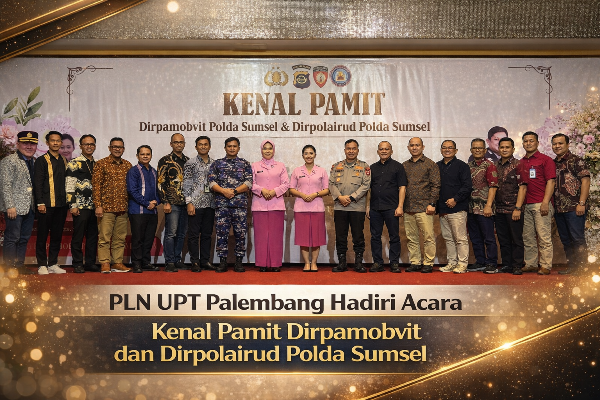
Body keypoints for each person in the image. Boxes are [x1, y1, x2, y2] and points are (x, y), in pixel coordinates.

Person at [208, 137, 253, 273]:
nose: (232, 148)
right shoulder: (217, 164)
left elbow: (249, 183)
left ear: (238, 148)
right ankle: (222, 262)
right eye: (229, 146)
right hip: (222, 205)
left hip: (239, 206)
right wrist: (223, 191)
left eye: (234, 146)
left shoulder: (245, 164)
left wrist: (234, 191)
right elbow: (211, 182)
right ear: (225, 148)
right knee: (222, 234)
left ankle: (239, 262)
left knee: (241, 234)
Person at [329, 139, 371, 273]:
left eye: (353, 148)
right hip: (340, 207)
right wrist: (340, 197)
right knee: (340, 236)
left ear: (358, 150)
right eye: (348, 148)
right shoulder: (336, 166)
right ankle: (342, 263)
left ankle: (358, 263)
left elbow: (366, 185)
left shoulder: (364, 167)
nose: (351, 151)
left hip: (357, 207)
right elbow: (331, 184)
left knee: (358, 236)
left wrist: (352, 197)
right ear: (344, 150)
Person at [0, 131, 38, 275]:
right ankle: (9, 268)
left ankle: (19, 266)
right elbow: (5, 185)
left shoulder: (34, 161)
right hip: (14, 208)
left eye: (32, 144)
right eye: (25, 143)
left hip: (29, 207)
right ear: (17, 144)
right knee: (12, 238)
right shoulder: (9, 161)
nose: (29, 146)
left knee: (24, 238)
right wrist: (10, 206)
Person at [552, 133, 590, 275]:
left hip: (575, 207)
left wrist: (582, 203)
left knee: (577, 238)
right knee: (566, 239)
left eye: (560, 143)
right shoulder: (552, 163)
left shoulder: (576, 161)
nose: (557, 146)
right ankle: (573, 267)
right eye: (554, 144)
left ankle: (583, 269)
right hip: (559, 208)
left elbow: (586, 181)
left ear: (568, 144)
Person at [93, 137, 133, 273]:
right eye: (114, 147)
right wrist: (98, 205)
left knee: (120, 238)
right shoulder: (101, 164)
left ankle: (117, 262)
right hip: (106, 208)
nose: (117, 149)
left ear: (123, 149)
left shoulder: (127, 165)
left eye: (120, 147)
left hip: (123, 208)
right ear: (109, 148)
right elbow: (96, 186)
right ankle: (105, 263)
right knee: (104, 237)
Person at [519, 131, 556, 275]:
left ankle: (546, 265)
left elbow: (551, 182)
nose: (528, 143)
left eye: (531, 141)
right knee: (528, 237)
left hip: (541, 203)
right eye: (526, 141)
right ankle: (531, 264)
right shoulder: (521, 162)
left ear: (537, 143)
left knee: (543, 237)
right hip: (526, 205)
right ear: (523, 144)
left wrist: (545, 202)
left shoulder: (545, 160)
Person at [367, 141, 407, 273]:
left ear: (391, 151)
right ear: (378, 151)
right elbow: (369, 189)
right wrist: (367, 206)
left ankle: (394, 263)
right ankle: (377, 263)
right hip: (375, 208)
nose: (384, 151)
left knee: (394, 236)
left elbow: (402, 187)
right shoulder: (372, 168)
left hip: (392, 208)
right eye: (381, 149)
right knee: (375, 237)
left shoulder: (398, 167)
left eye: (386, 149)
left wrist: (400, 206)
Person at [402, 137, 440, 273]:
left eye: (417, 145)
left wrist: (432, 203)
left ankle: (428, 263)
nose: (414, 147)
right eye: (412, 145)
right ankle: (415, 262)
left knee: (428, 237)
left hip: (425, 207)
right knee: (411, 238)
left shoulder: (430, 164)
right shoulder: (404, 165)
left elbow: (436, 185)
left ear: (423, 147)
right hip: (408, 207)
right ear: (408, 147)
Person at [251, 140, 290, 272]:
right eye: (265, 148)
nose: (267, 151)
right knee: (260, 236)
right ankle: (262, 263)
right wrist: (262, 190)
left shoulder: (281, 166)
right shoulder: (254, 165)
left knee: (276, 236)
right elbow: (251, 183)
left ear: (274, 150)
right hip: (259, 205)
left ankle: (275, 264)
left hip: (276, 205)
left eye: (270, 148)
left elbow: (286, 184)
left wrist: (274, 192)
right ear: (261, 150)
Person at [289, 145, 330, 272]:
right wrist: (302, 195)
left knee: (317, 236)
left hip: (317, 208)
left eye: (311, 153)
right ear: (302, 155)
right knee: (303, 237)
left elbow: (327, 189)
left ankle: (314, 263)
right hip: (301, 208)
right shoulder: (297, 171)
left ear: (315, 155)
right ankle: (307, 263)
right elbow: (291, 189)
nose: (308, 155)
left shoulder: (321, 171)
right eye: (306, 153)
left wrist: (315, 194)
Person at [33, 131, 68, 275]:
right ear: (47, 143)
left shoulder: (64, 160)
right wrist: (40, 202)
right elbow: (38, 183)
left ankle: (53, 263)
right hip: (46, 205)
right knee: (42, 235)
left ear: (61, 143)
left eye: (58, 141)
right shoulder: (41, 160)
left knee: (56, 235)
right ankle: (42, 264)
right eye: (52, 140)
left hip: (61, 205)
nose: (55, 143)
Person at [436, 140, 472, 274]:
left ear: (455, 150)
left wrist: (455, 199)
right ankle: (452, 263)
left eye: (450, 148)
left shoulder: (462, 166)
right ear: (441, 150)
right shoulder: (437, 166)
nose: (447, 150)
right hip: (442, 209)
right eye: (444, 147)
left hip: (458, 208)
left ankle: (462, 264)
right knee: (448, 238)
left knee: (460, 238)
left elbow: (467, 186)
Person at [66, 134, 98, 273]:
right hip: (80, 206)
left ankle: (90, 263)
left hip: (95, 206)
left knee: (93, 236)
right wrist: (72, 205)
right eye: (86, 144)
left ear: (95, 146)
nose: (89, 146)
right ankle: (77, 263)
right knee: (78, 236)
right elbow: (69, 185)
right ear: (80, 146)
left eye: (91, 144)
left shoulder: (97, 164)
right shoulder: (74, 163)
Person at [495, 137, 527, 275]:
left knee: (516, 239)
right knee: (503, 239)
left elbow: (523, 188)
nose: (504, 149)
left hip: (514, 208)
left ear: (513, 149)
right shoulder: (495, 165)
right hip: (499, 209)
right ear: (498, 149)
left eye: (507, 147)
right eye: (502, 147)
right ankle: (507, 264)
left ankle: (517, 265)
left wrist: (518, 208)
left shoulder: (518, 164)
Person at [157, 133, 190, 272]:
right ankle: (169, 261)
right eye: (176, 142)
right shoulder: (165, 160)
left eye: (181, 142)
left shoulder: (188, 161)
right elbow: (160, 182)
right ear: (171, 144)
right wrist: (165, 201)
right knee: (171, 233)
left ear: (184, 144)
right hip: (172, 203)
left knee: (182, 234)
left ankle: (177, 260)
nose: (179, 144)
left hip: (186, 203)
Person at [183, 136, 215, 273]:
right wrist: (189, 202)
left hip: (211, 203)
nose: (203, 146)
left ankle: (205, 261)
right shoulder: (190, 163)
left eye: (205, 144)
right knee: (194, 235)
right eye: (200, 144)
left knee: (207, 234)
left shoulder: (214, 164)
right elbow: (186, 183)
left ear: (209, 146)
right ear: (196, 147)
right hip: (195, 203)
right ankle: (195, 261)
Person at [467, 138, 499, 274]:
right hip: (470, 207)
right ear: (471, 150)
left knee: (489, 237)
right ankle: (480, 261)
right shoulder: (468, 166)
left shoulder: (489, 165)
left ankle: (491, 263)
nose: (477, 150)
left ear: (485, 150)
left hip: (485, 207)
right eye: (475, 148)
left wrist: (488, 205)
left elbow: (493, 187)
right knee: (475, 237)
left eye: (480, 148)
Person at [127, 145, 160, 273]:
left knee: (149, 239)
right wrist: (147, 203)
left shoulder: (154, 171)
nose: (145, 156)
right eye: (142, 154)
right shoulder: (133, 171)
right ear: (137, 156)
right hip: (138, 211)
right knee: (138, 239)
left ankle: (146, 262)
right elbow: (132, 191)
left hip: (152, 211)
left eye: (148, 154)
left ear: (151, 156)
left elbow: (159, 191)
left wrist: (156, 202)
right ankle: (136, 263)